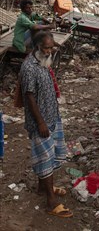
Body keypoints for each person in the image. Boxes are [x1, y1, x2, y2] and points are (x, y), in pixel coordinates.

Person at [20, 31, 72, 218]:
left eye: (51, 47)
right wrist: (40, 122)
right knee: (45, 159)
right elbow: (29, 96)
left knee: (51, 156)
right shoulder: (29, 67)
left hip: (51, 116)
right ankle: (51, 202)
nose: (50, 51)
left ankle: (43, 188)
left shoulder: (43, 61)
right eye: (46, 48)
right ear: (37, 47)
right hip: (40, 122)